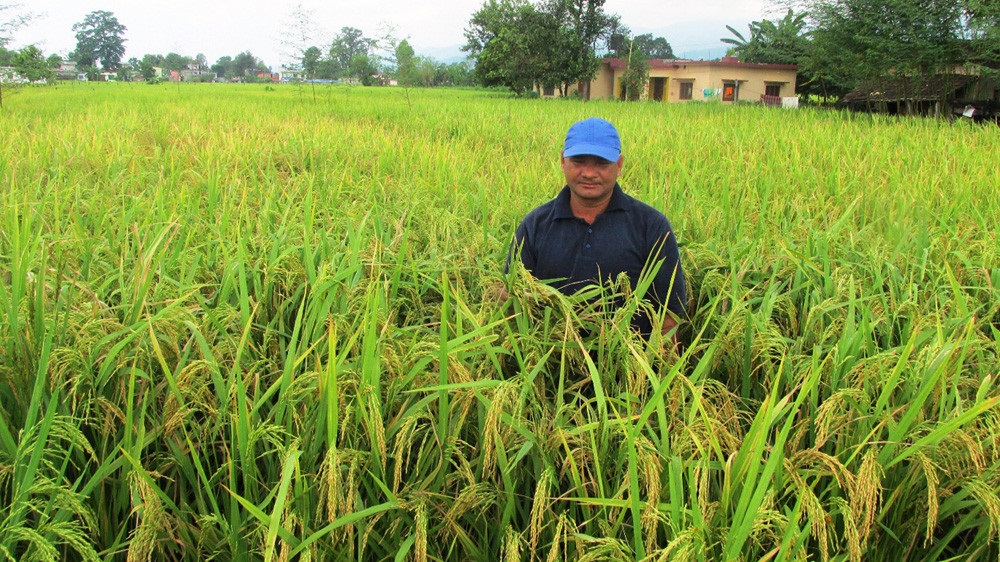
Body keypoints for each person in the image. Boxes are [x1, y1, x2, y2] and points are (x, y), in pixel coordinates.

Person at [506, 117, 687, 341]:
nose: (589, 173)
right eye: (579, 161)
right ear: (563, 161)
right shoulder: (535, 225)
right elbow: (512, 302)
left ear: (619, 165)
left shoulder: (651, 226)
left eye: (601, 163)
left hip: (629, 365)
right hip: (550, 365)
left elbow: (670, 318)